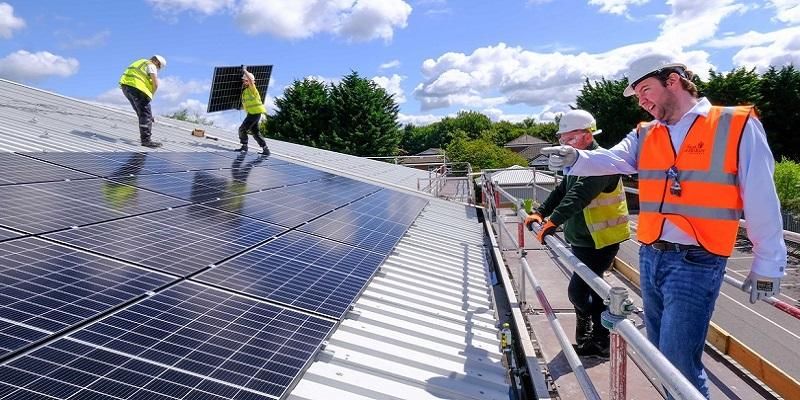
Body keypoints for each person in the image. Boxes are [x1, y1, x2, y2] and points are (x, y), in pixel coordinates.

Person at [542, 54, 787, 398]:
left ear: (672, 81)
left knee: (678, 367)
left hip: (697, 260)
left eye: (645, 90)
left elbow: (761, 196)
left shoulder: (735, 124)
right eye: (637, 96)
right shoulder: (646, 133)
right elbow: (614, 158)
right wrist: (577, 157)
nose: (641, 101)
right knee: (659, 358)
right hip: (652, 256)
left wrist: (767, 264)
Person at [525, 109, 631, 358]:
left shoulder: (602, 161)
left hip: (600, 241)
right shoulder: (578, 160)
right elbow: (564, 189)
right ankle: (593, 340)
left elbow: (579, 194)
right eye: (562, 139)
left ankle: (600, 337)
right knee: (590, 291)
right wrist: (540, 212)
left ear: (586, 135)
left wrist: (553, 221)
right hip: (583, 239)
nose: (564, 144)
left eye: (569, 138)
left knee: (579, 292)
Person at [119, 55, 166, 148]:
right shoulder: (151, 65)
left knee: (142, 113)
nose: (157, 69)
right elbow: (155, 84)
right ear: (157, 62)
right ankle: (146, 141)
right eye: (159, 67)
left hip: (126, 88)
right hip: (138, 89)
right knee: (145, 115)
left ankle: (146, 128)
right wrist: (151, 95)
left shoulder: (140, 62)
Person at [237, 69, 270, 155]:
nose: (243, 82)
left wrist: (244, 70)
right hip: (252, 114)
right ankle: (265, 149)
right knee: (255, 132)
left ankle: (244, 147)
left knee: (242, 129)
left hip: (254, 114)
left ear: (248, 81)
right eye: (243, 80)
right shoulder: (245, 91)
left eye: (245, 80)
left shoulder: (252, 89)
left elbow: (251, 81)